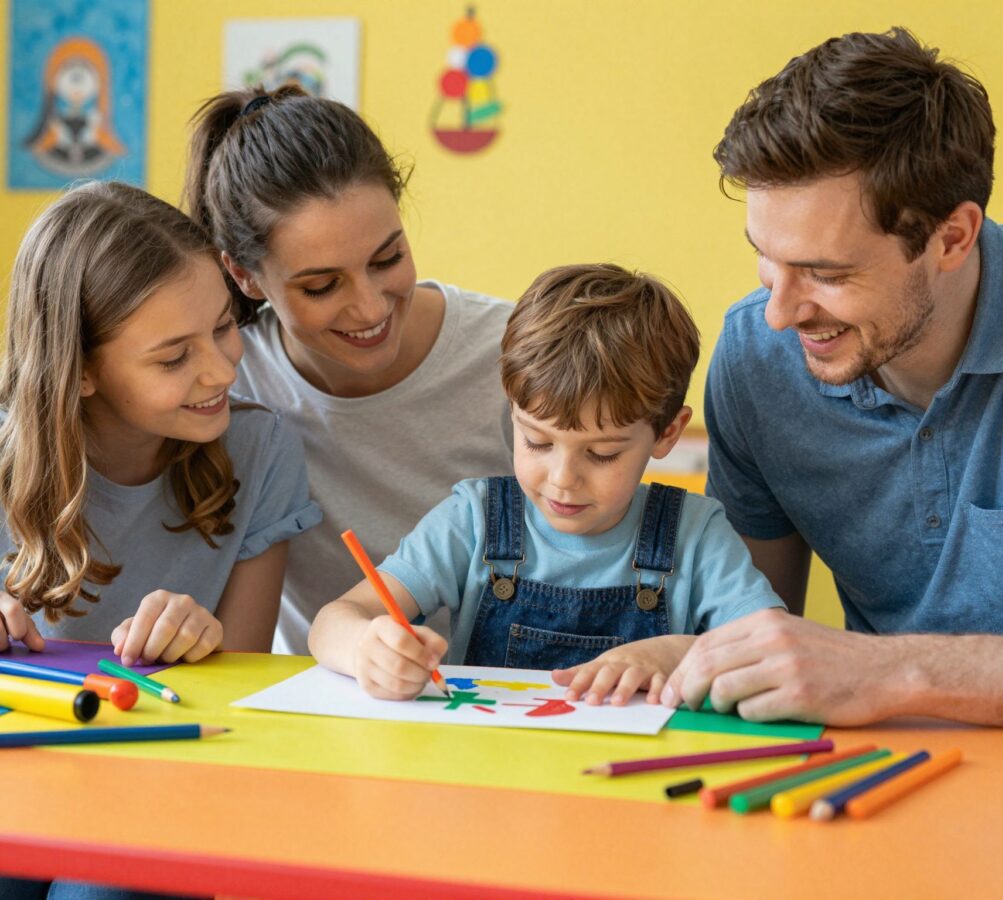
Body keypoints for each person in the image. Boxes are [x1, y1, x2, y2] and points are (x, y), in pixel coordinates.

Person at [661, 28, 1003, 727]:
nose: (780, 313)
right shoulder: (757, 359)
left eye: (827, 273)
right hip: (878, 784)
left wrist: (895, 672)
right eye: (767, 259)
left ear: (952, 237)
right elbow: (746, 636)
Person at [0, 183, 319, 898]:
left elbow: (238, 688)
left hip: (159, 776)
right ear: (79, 369)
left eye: (224, 328)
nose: (220, 370)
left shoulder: (261, 451)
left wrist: (205, 642)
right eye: (174, 358)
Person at [308, 264, 786, 705]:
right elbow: (332, 622)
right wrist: (365, 649)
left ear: (667, 433)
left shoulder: (694, 536)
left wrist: (677, 653)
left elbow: (775, 648)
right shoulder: (473, 520)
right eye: (537, 442)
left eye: (602, 454)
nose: (562, 480)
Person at [184, 86, 513, 655]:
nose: (370, 308)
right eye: (321, 286)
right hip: (323, 708)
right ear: (244, 277)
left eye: (388, 259)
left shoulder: (515, 353)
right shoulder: (225, 381)